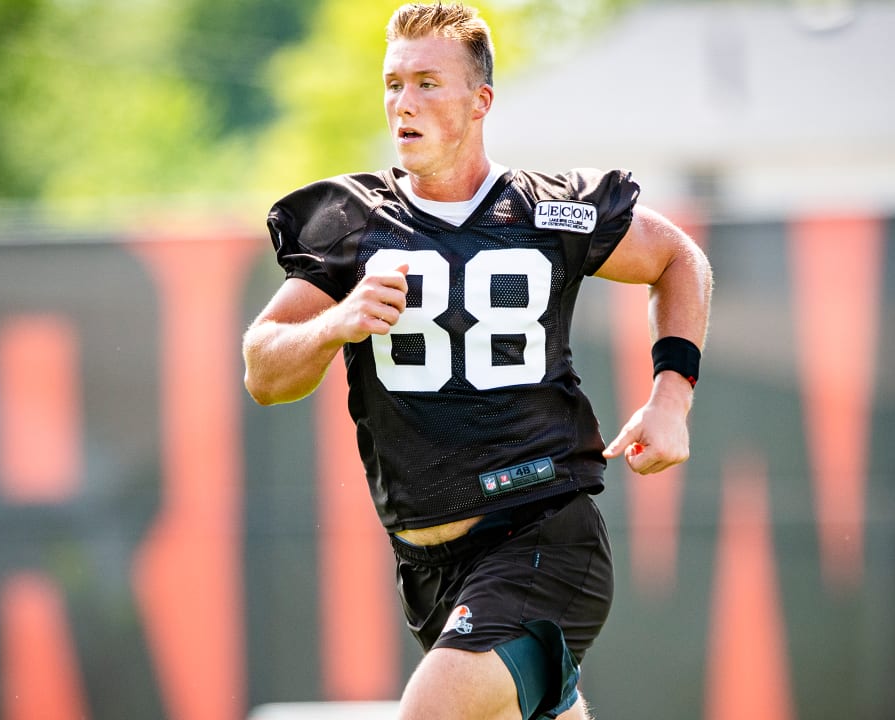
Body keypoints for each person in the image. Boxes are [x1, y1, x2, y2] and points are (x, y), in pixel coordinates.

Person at [242, 3, 712, 718]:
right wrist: (336, 322)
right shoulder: (350, 223)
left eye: (428, 82)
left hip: (543, 533)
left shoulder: (551, 211)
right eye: (394, 83)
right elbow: (263, 373)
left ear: (480, 100)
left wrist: (672, 397)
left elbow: (678, 258)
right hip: (430, 568)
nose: (404, 102)